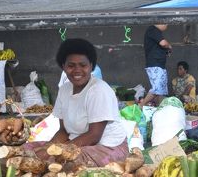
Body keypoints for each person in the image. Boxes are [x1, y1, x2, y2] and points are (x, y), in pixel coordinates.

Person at [24, 38, 128, 167]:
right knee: (25, 151)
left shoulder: (99, 90)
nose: (77, 70)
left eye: (83, 65)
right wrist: (48, 148)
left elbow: (94, 136)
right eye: (71, 65)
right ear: (63, 67)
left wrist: (56, 153)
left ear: (91, 66)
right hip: (75, 142)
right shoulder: (64, 89)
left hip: (106, 147)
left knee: (63, 163)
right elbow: (63, 131)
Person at [139, 24, 171, 107]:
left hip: (159, 65)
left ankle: (160, 109)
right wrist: (169, 46)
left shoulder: (156, 32)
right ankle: (141, 106)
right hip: (155, 64)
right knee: (157, 89)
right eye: (166, 23)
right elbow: (163, 43)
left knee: (161, 90)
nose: (167, 26)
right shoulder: (153, 30)